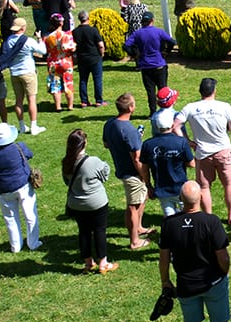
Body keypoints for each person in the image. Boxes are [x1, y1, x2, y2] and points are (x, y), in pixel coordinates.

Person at [160, 180, 231, 322]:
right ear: (200, 197)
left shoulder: (169, 224)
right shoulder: (212, 222)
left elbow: (163, 258)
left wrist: (165, 281)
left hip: (186, 286)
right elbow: (222, 256)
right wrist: (223, 272)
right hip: (213, 282)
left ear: (181, 199)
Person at [176, 77, 231, 224]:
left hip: (202, 153)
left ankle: (209, 217)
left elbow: (176, 125)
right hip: (224, 151)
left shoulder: (190, 108)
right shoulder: (224, 106)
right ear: (214, 91)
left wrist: (188, 141)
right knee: (229, 183)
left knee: (204, 187)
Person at [62, 128, 117, 273]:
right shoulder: (93, 161)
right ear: (84, 144)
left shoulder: (66, 162)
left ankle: (88, 262)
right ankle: (103, 263)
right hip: (96, 202)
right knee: (99, 231)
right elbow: (106, 173)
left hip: (76, 203)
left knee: (83, 232)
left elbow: (66, 182)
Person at [103, 93, 152, 249]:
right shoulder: (129, 130)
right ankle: (134, 241)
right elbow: (137, 159)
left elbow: (106, 144)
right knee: (133, 205)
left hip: (121, 167)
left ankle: (138, 227)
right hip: (132, 173)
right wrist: (144, 176)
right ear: (131, 108)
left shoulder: (110, 124)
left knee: (141, 199)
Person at [0, 122, 41, 252]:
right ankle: (33, 243)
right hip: (22, 185)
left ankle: (15, 246)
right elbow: (30, 154)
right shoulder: (19, 147)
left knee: (10, 218)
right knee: (30, 215)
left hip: (3, 188)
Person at [141, 108, 194, 217]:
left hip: (162, 188)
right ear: (171, 125)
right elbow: (192, 164)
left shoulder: (148, 144)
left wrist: (148, 185)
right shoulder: (181, 142)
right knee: (187, 216)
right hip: (180, 187)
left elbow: (144, 168)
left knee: (170, 218)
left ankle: (172, 233)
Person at [0, 17, 47, 136]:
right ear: (23, 28)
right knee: (31, 100)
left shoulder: (8, 40)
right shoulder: (28, 41)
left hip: (15, 73)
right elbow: (42, 51)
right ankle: (33, 126)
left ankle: (21, 126)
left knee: (18, 100)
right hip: (28, 72)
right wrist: (40, 39)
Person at [124, 11, 175, 114]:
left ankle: (152, 112)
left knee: (150, 91)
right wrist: (166, 51)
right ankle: (165, 111)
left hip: (146, 66)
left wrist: (134, 55)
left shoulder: (137, 33)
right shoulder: (159, 32)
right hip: (159, 64)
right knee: (163, 90)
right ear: (152, 20)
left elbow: (126, 45)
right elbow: (172, 42)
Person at [41, 12, 75, 112]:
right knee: (68, 83)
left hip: (53, 63)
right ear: (61, 23)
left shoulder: (47, 37)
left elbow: (47, 50)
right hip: (65, 62)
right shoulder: (67, 35)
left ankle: (58, 106)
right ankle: (70, 106)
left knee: (55, 84)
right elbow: (71, 48)